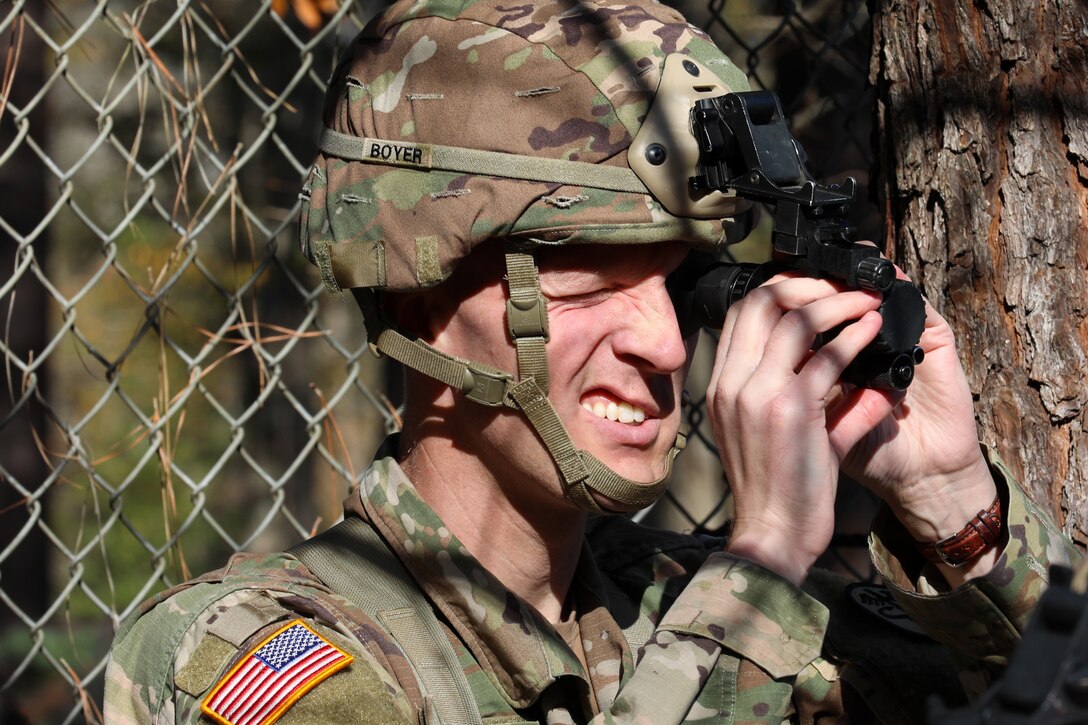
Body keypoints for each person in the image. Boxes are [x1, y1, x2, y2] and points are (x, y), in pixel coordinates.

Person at [105, 1, 1082, 723]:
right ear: (418, 293)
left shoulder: (687, 605)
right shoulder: (270, 661)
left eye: (679, 282)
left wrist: (954, 512)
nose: (661, 343)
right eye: (582, 280)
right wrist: (760, 564)